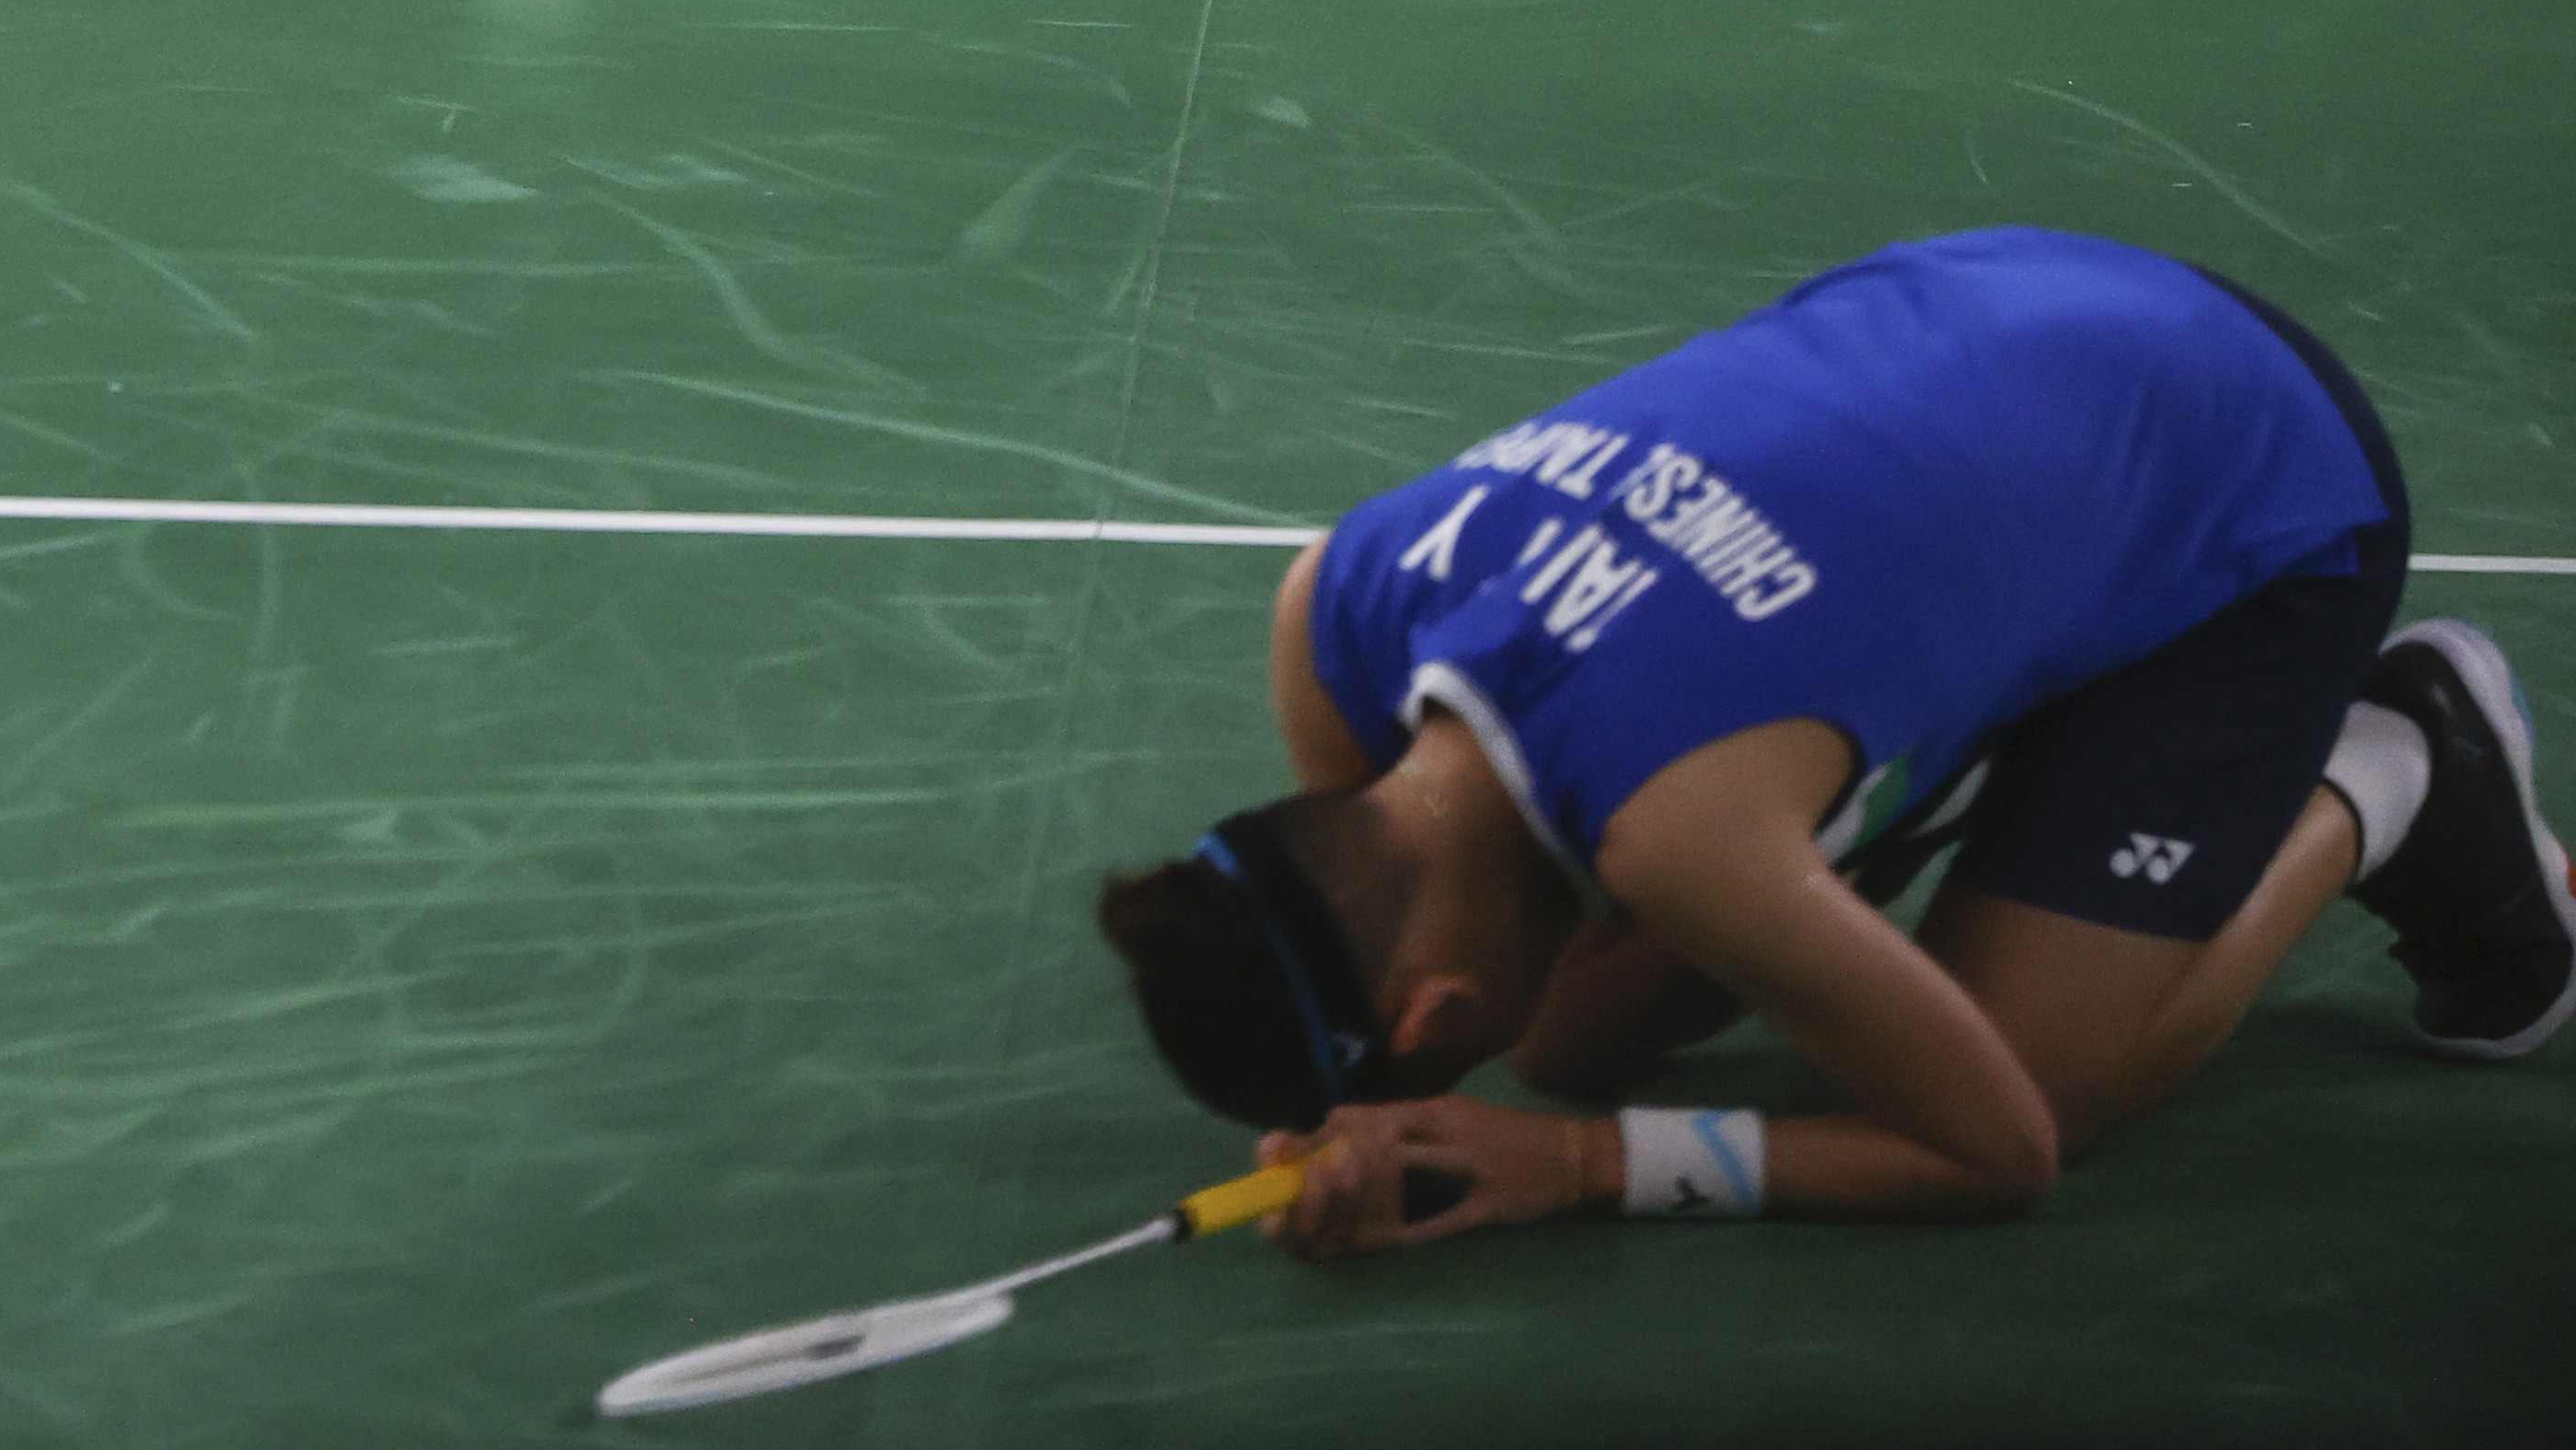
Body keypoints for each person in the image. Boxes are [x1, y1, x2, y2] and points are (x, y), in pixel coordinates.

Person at [1098, 226, 2576, 1252]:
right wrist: (1401, 1115)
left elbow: (1996, 1158)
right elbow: (1489, 994)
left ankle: (2396, 763)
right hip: (2002, 306)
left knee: (2037, 1074)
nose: (1420, 1093)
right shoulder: (1338, 601)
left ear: (1421, 1024)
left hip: (2245, 463)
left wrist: (1573, 1168)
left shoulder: (1683, 826)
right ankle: (1947, 741)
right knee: (1568, 1037)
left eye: (1405, 1075)